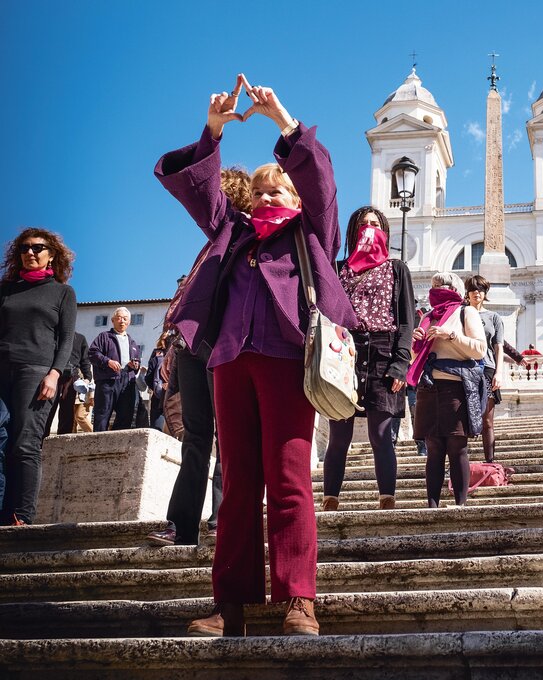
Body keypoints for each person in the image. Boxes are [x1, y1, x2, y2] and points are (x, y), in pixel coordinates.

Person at [155, 74, 356, 637]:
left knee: (289, 478)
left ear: (296, 200)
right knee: (239, 481)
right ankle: (231, 605)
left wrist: (281, 119)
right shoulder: (232, 233)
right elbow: (202, 193)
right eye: (263, 191)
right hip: (228, 361)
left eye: (280, 191)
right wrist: (213, 131)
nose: (268, 197)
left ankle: (299, 598)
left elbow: (320, 184)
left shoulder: (311, 234)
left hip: (288, 359)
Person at [145, 167, 249, 550]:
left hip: (223, 344)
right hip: (191, 346)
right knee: (195, 438)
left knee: (228, 438)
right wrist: (174, 342)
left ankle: (224, 521)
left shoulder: (240, 231)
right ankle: (181, 524)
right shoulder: (209, 245)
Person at [321, 206, 414, 512]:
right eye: (363, 225)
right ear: (353, 232)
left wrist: (401, 363)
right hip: (345, 352)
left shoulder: (397, 268)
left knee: (380, 433)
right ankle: (330, 499)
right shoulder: (338, 269)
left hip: (384, 351)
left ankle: (387, 498)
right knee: (339, 433)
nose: (369, 229)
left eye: (375, 224)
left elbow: (405, 320)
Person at [0, 228, 77, 526]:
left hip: (36, 372)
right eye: (24, 248)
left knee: (25, 443)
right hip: (2, 371)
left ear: (52, 254)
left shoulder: (62, 292)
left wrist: (54, 374)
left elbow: (67, 339)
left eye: (37, 247)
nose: (30, 252)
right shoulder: (5, 290)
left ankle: (22, 515)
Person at [408, 272, 485, 507]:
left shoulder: (466, 312)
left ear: (454, 288)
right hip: (429, 387)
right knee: (433, 448)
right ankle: (432, 505)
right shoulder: (427, 316)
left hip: (456, 386)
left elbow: (480, 349)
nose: (437, 288)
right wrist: (416, 343)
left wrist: (450, 335)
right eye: (434, 285)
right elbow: (414, 358)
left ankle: (460, 504)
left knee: (456, 446)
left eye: (442, 284)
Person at [465, 275, 505, 463]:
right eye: (473, 289)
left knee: (487, 420)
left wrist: (499, 372)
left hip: (487, 369)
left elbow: (498, 346)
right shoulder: (461, 314)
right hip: (465, 367)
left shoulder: (493, 317)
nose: (476, 293)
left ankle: (490, 461)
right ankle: (460, 463)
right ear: (467, 293)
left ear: (485, 293)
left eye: (480, 289)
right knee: (462, 418)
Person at [89, 307, 141, 431]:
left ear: (129, 322)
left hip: (127, 381)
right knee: (102, 414)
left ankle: (118, 447)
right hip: (108, 380)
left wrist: (135, 365)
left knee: (125, 416)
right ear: (112, 320)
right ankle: (98, 447)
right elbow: (92, 353)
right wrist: (108, 362)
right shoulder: (104, 337)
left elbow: (137, 361)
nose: (121, 321)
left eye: (125, 319)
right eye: (119, 318)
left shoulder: (132, 342)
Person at [44, 332, 92, 435]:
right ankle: (41, 441)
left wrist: (88, 377)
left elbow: (85, 360)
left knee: (67, 412)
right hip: (52, 375)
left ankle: (62, 441)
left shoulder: (80, 338)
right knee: (47, 409)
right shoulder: (52, 334)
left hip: (71, 379)